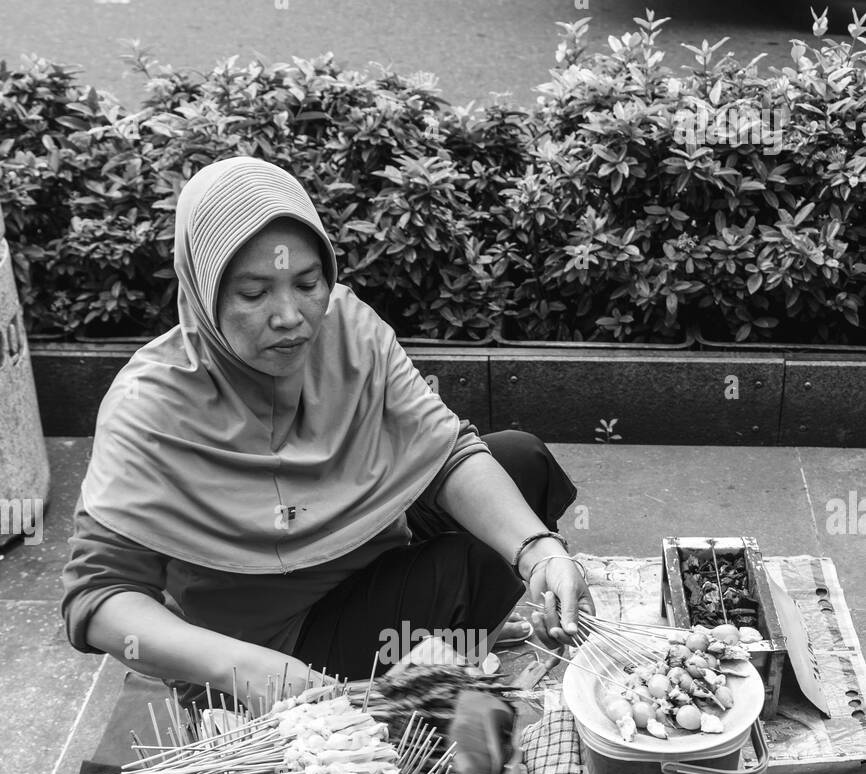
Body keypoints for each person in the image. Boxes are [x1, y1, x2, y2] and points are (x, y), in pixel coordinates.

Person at [61, 156, 594, 710]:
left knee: (518, 462)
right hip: (273, 642)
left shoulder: (346, 329)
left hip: (371, 550)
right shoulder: (149, 405)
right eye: (253, 293)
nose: (291, 315)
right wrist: (251, 671)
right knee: (464, 570)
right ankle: (409, 666)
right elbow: (100, 597)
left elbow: (444, 451)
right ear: (203, 291)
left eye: (308, 282)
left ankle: (447, 642)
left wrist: (540, 554)